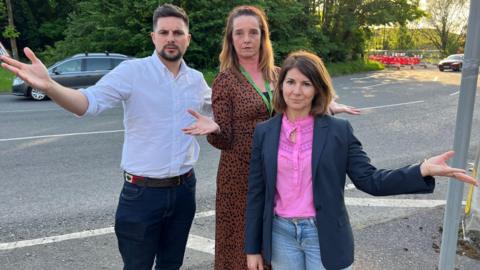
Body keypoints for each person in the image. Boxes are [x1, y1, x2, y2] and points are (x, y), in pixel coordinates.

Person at [0, 4, 219, 270]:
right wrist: (50, 86)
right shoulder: (132, 72)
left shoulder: (196, 80)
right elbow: (86, 103)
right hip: (142, 194)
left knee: (171, 265)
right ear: (154, 37)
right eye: (164, 32)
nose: (170, 38)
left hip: (184, 190)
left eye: (177, 32)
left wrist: (218, 124)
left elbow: (221, 113)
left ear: (188, 39)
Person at [244, 50, 478, 270]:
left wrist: (422, 170)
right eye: (291, 82)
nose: (296, 91)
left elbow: (370, 180)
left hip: (324, 235)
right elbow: (257, 192)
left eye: (306, 84)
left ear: (317, 89)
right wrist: (252, 248)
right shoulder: (265, 132)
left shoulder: (338, 131)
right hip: (281, 235)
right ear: (281, 85)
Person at [204, 5, 359, 270]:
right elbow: (225, 138)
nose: (246, 39)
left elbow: (296, 109)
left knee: (277, 247)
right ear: (230, 39)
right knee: (241, 250)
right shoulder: (225, 80)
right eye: (239, 33)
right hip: (239, 178)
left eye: (253, 32)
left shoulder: (278, 74)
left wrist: (325, 108)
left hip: (279, 171)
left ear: (263, 37)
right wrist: (214, 129)